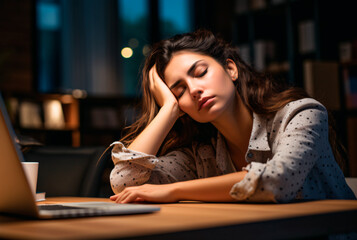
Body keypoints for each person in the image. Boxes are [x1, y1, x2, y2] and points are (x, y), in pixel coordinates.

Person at [109, 29, 356, 204]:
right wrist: (167, 111)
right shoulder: (201, 155)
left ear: (231, 69)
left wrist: (173, 191)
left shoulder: (301, 114)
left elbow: (278, 180)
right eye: (179, 91)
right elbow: (125, 183)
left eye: (200, 72)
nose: (194, 90)